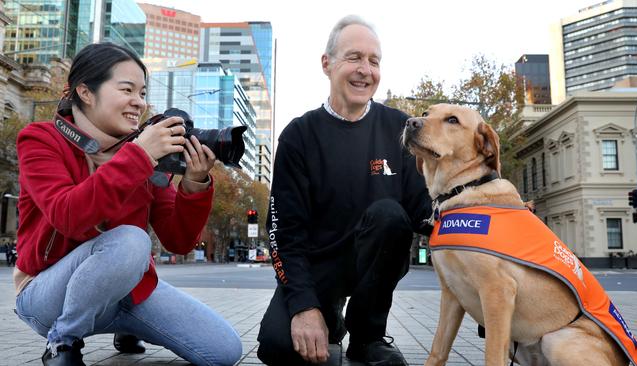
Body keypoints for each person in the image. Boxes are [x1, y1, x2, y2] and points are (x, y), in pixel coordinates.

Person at [13, 42, 242, 366]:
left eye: (142, 92)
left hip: (126, 292)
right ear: (85, 92)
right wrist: (139, 157)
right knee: (130, 239)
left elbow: (179, 241)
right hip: (48, 294)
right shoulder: (40, 139)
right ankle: (62, 342)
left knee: (224, 351)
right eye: (127, 89)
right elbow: (68, 216)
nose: (139, 102)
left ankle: (128, 326)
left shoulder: (146, 153)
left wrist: (194, 183)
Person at [256, 15, 432, 366]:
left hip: (374, 262)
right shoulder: (298, 137)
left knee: (389, 216)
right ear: (327, 64)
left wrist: (479, 221)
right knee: (279, 348)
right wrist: (305, 306)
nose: (365, 70)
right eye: (354, 57)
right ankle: (328, 314)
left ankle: (367, 337)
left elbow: (423, 211)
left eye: (374, 61)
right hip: (317, 265)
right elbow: (282, 234)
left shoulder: (399, 128)